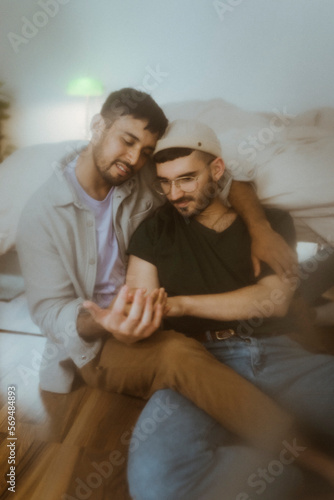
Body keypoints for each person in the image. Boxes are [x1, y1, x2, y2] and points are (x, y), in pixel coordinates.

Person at [83, 119, 334, 500]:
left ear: (216, 170)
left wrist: (179, 303)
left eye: (187, 179)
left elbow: (272, 299)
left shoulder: (272, 222)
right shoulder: (153, 230)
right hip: (196, 365)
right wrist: (124, 321)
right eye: (164, 182)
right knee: (156, 487)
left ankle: (272, 457)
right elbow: (143, 301)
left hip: (277, 353)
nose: (174, 193)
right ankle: (283, 470)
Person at [17, 88, 296, 395]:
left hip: (153, 322)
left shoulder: (146, 174)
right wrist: (106, 320)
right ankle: (280, 436)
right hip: (96, 341)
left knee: (189, 355)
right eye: (127, 140)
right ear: (98, 126)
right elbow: (49, 312)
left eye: (146, 151)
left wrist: (260, 228)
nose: (135, 159)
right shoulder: (40, 213)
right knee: (179, 355)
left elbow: (227, 178)